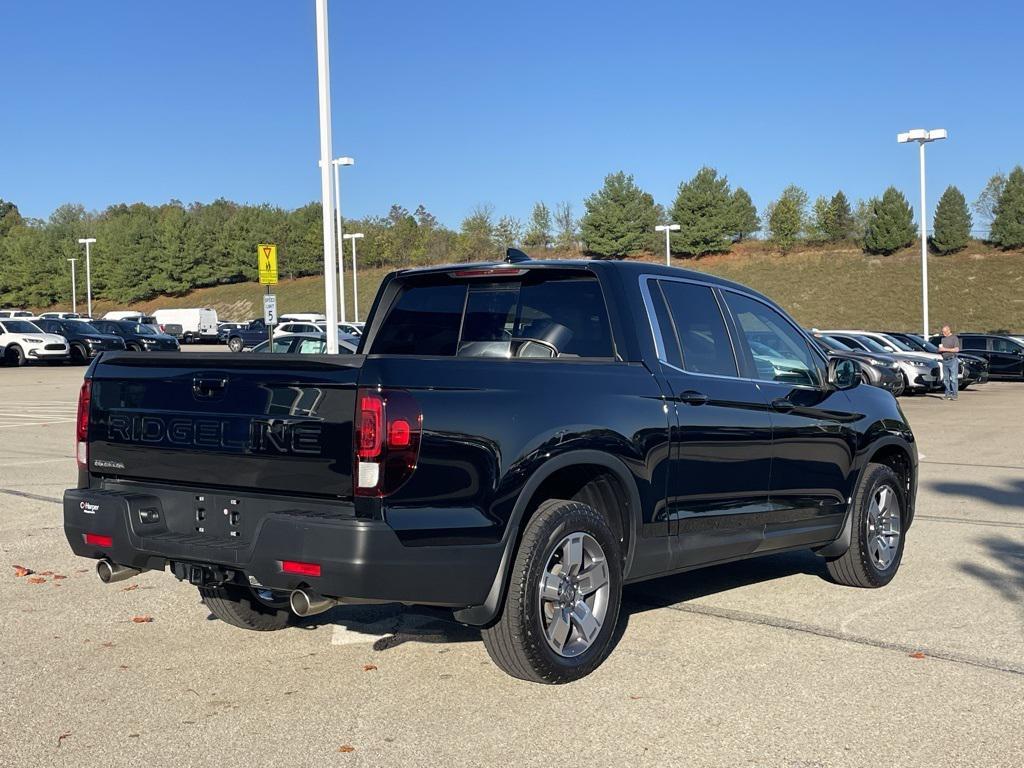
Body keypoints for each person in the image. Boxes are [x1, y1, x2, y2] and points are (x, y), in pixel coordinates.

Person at [937, 324, 960, 400]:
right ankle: (947, 393)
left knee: (953, 378)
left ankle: (954, 394)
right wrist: (940, 350)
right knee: (946, 379)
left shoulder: (954, 338)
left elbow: (956, 350)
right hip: (944, 360)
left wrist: (944, 349)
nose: (943, 333)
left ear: (949, 331)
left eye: (944, 332)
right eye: (942, 332)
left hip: (952, 360)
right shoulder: (943, 339)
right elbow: (942, 349)